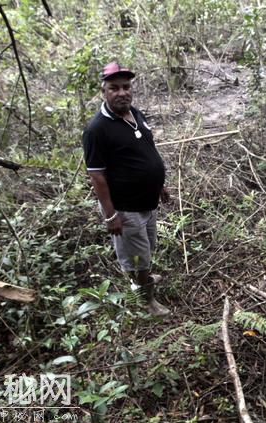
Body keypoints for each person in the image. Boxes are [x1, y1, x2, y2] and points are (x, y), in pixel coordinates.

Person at [82, 61, 170, 316]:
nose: (122, 93)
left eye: (126, 87)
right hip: (125, 206)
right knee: (137, 255)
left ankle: (143, 278)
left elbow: (147, 150)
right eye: (114, 88)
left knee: (146, 246)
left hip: (147, 200)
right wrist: (110, 215)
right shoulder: (97, 129)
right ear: (104, 91)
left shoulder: (135, 113)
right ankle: (147, 300)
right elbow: (96, 175)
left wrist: (159, 185)